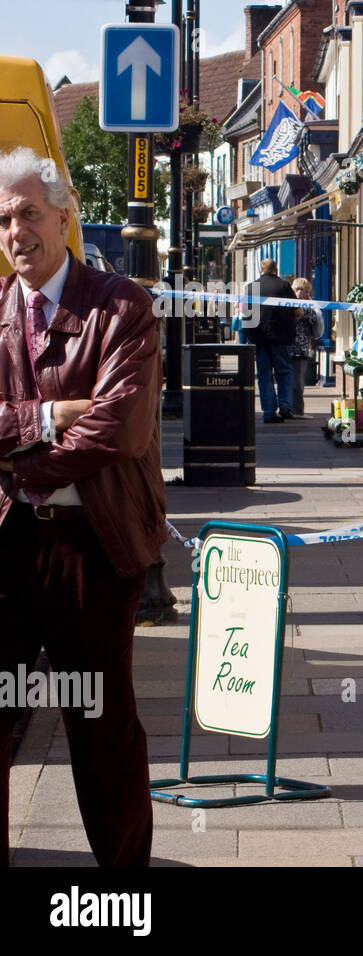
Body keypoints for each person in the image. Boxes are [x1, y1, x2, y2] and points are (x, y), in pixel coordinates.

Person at [0, 146, 166, 866]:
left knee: (100, 729)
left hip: (91, 548)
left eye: (28, 214)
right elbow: (76, 420)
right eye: (4, 219)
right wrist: (45, 418)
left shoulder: (122, 306)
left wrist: (20, 464)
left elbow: (121, 428)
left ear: (64, 217)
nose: (14, 233)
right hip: (5, 545)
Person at [244, 259, 296, 423]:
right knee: (284, 372)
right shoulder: (284, 286)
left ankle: (268, 412)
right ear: (276, 269)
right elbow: (296, 309)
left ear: (261, 270)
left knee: (264, 375)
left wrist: (249, 336)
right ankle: (286, 405)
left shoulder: (251, 288)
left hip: (260, 338)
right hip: (281, 337)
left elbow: (247, 313)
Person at [289, 277, 324, 417]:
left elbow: (315, 322)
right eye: (296, 289)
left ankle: (296, 409)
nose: (298, 292)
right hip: (288, 346)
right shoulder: (289, 304)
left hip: (301, 348)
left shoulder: (309, 307)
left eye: (301, 289)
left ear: (308, 291)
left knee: (297, 380)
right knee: (292, 380)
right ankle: (292, 409)